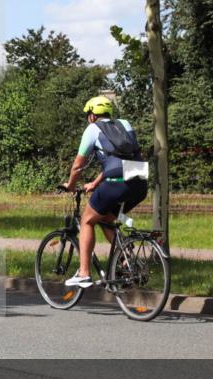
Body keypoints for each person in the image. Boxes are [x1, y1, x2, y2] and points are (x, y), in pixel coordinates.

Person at [59, 96, 148, 288]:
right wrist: (95, 182)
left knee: (87, 220)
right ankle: (126, 261)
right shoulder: (125, 124)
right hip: (140, 180)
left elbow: (77, 166)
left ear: (92, 115)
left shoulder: (93, 129)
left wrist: (72, 185)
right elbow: (121, 160)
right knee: (106, 218)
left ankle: (83, 273)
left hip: (118, 182)